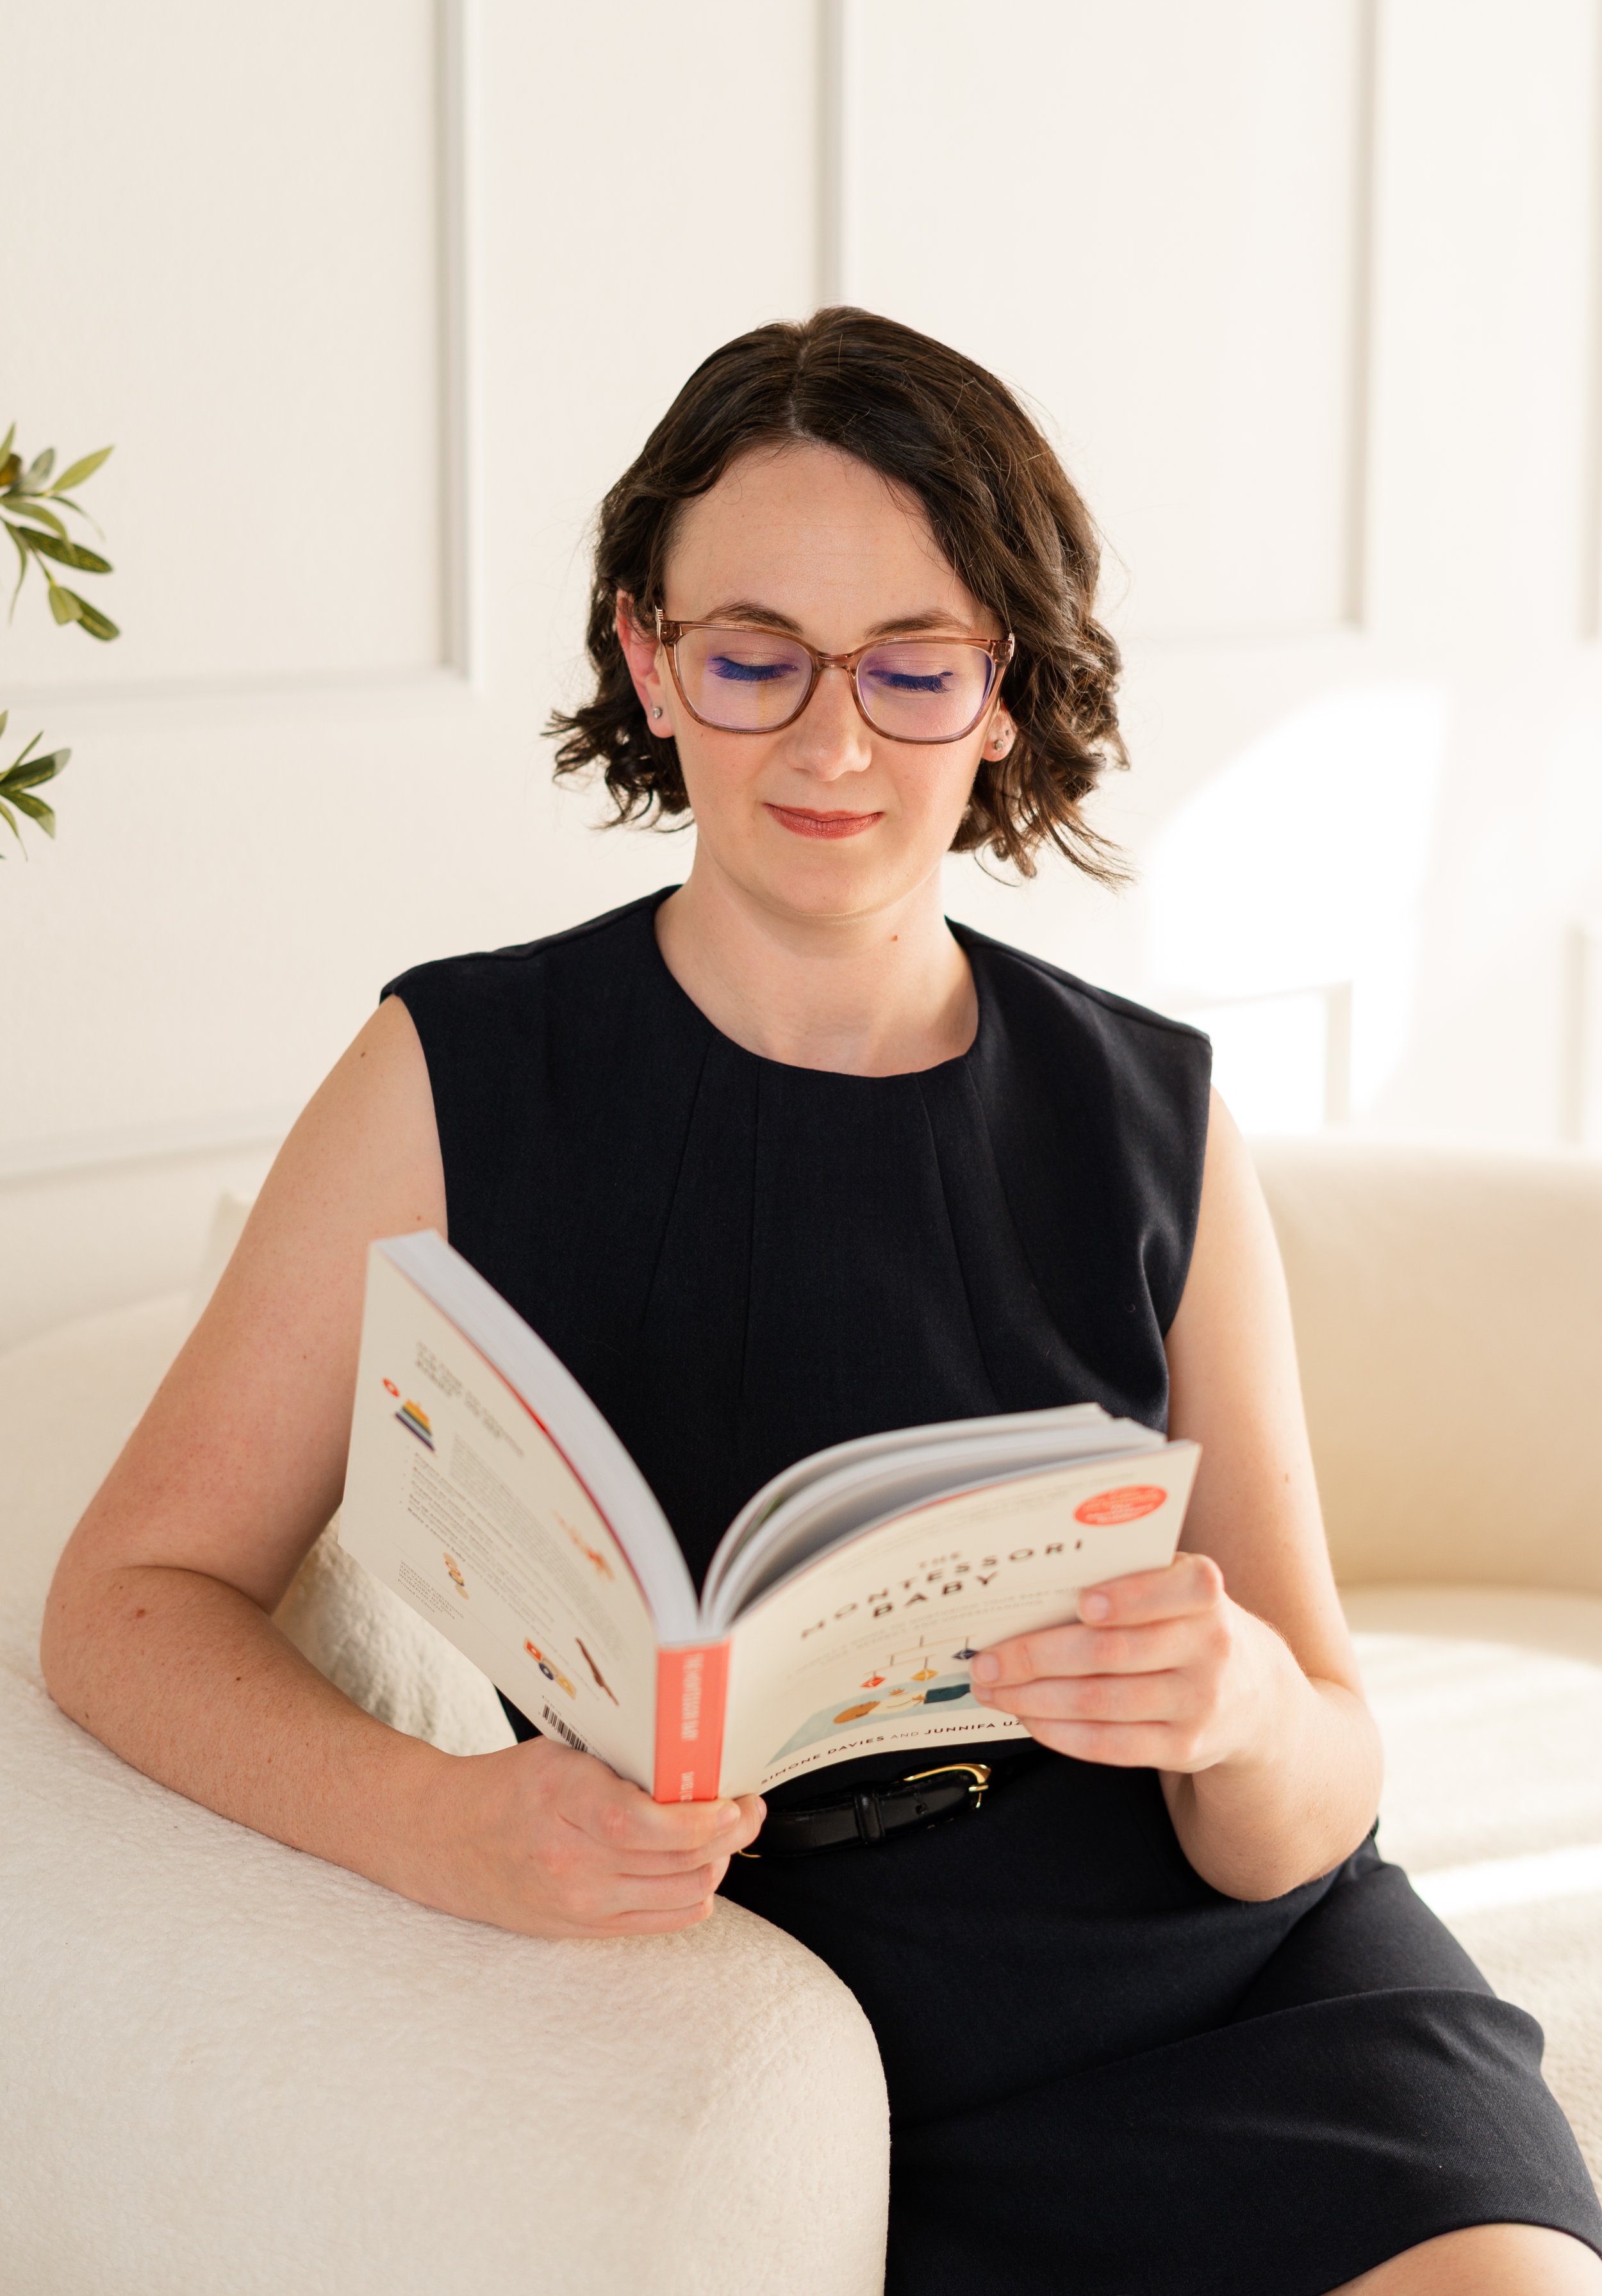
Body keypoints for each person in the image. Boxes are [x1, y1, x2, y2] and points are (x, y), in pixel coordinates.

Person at [43, 309, 1602, 2296]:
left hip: (1243, 1998)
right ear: (645, 658)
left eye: (913, 666)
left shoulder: (1152, 1112)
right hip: (786, 2044)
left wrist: (1234, 1712)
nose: (833, 741)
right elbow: (127, 1601)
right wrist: (441, 1825)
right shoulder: (453, 1075)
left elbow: (1299, 1808)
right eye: (754, 656)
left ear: (1005, 688)